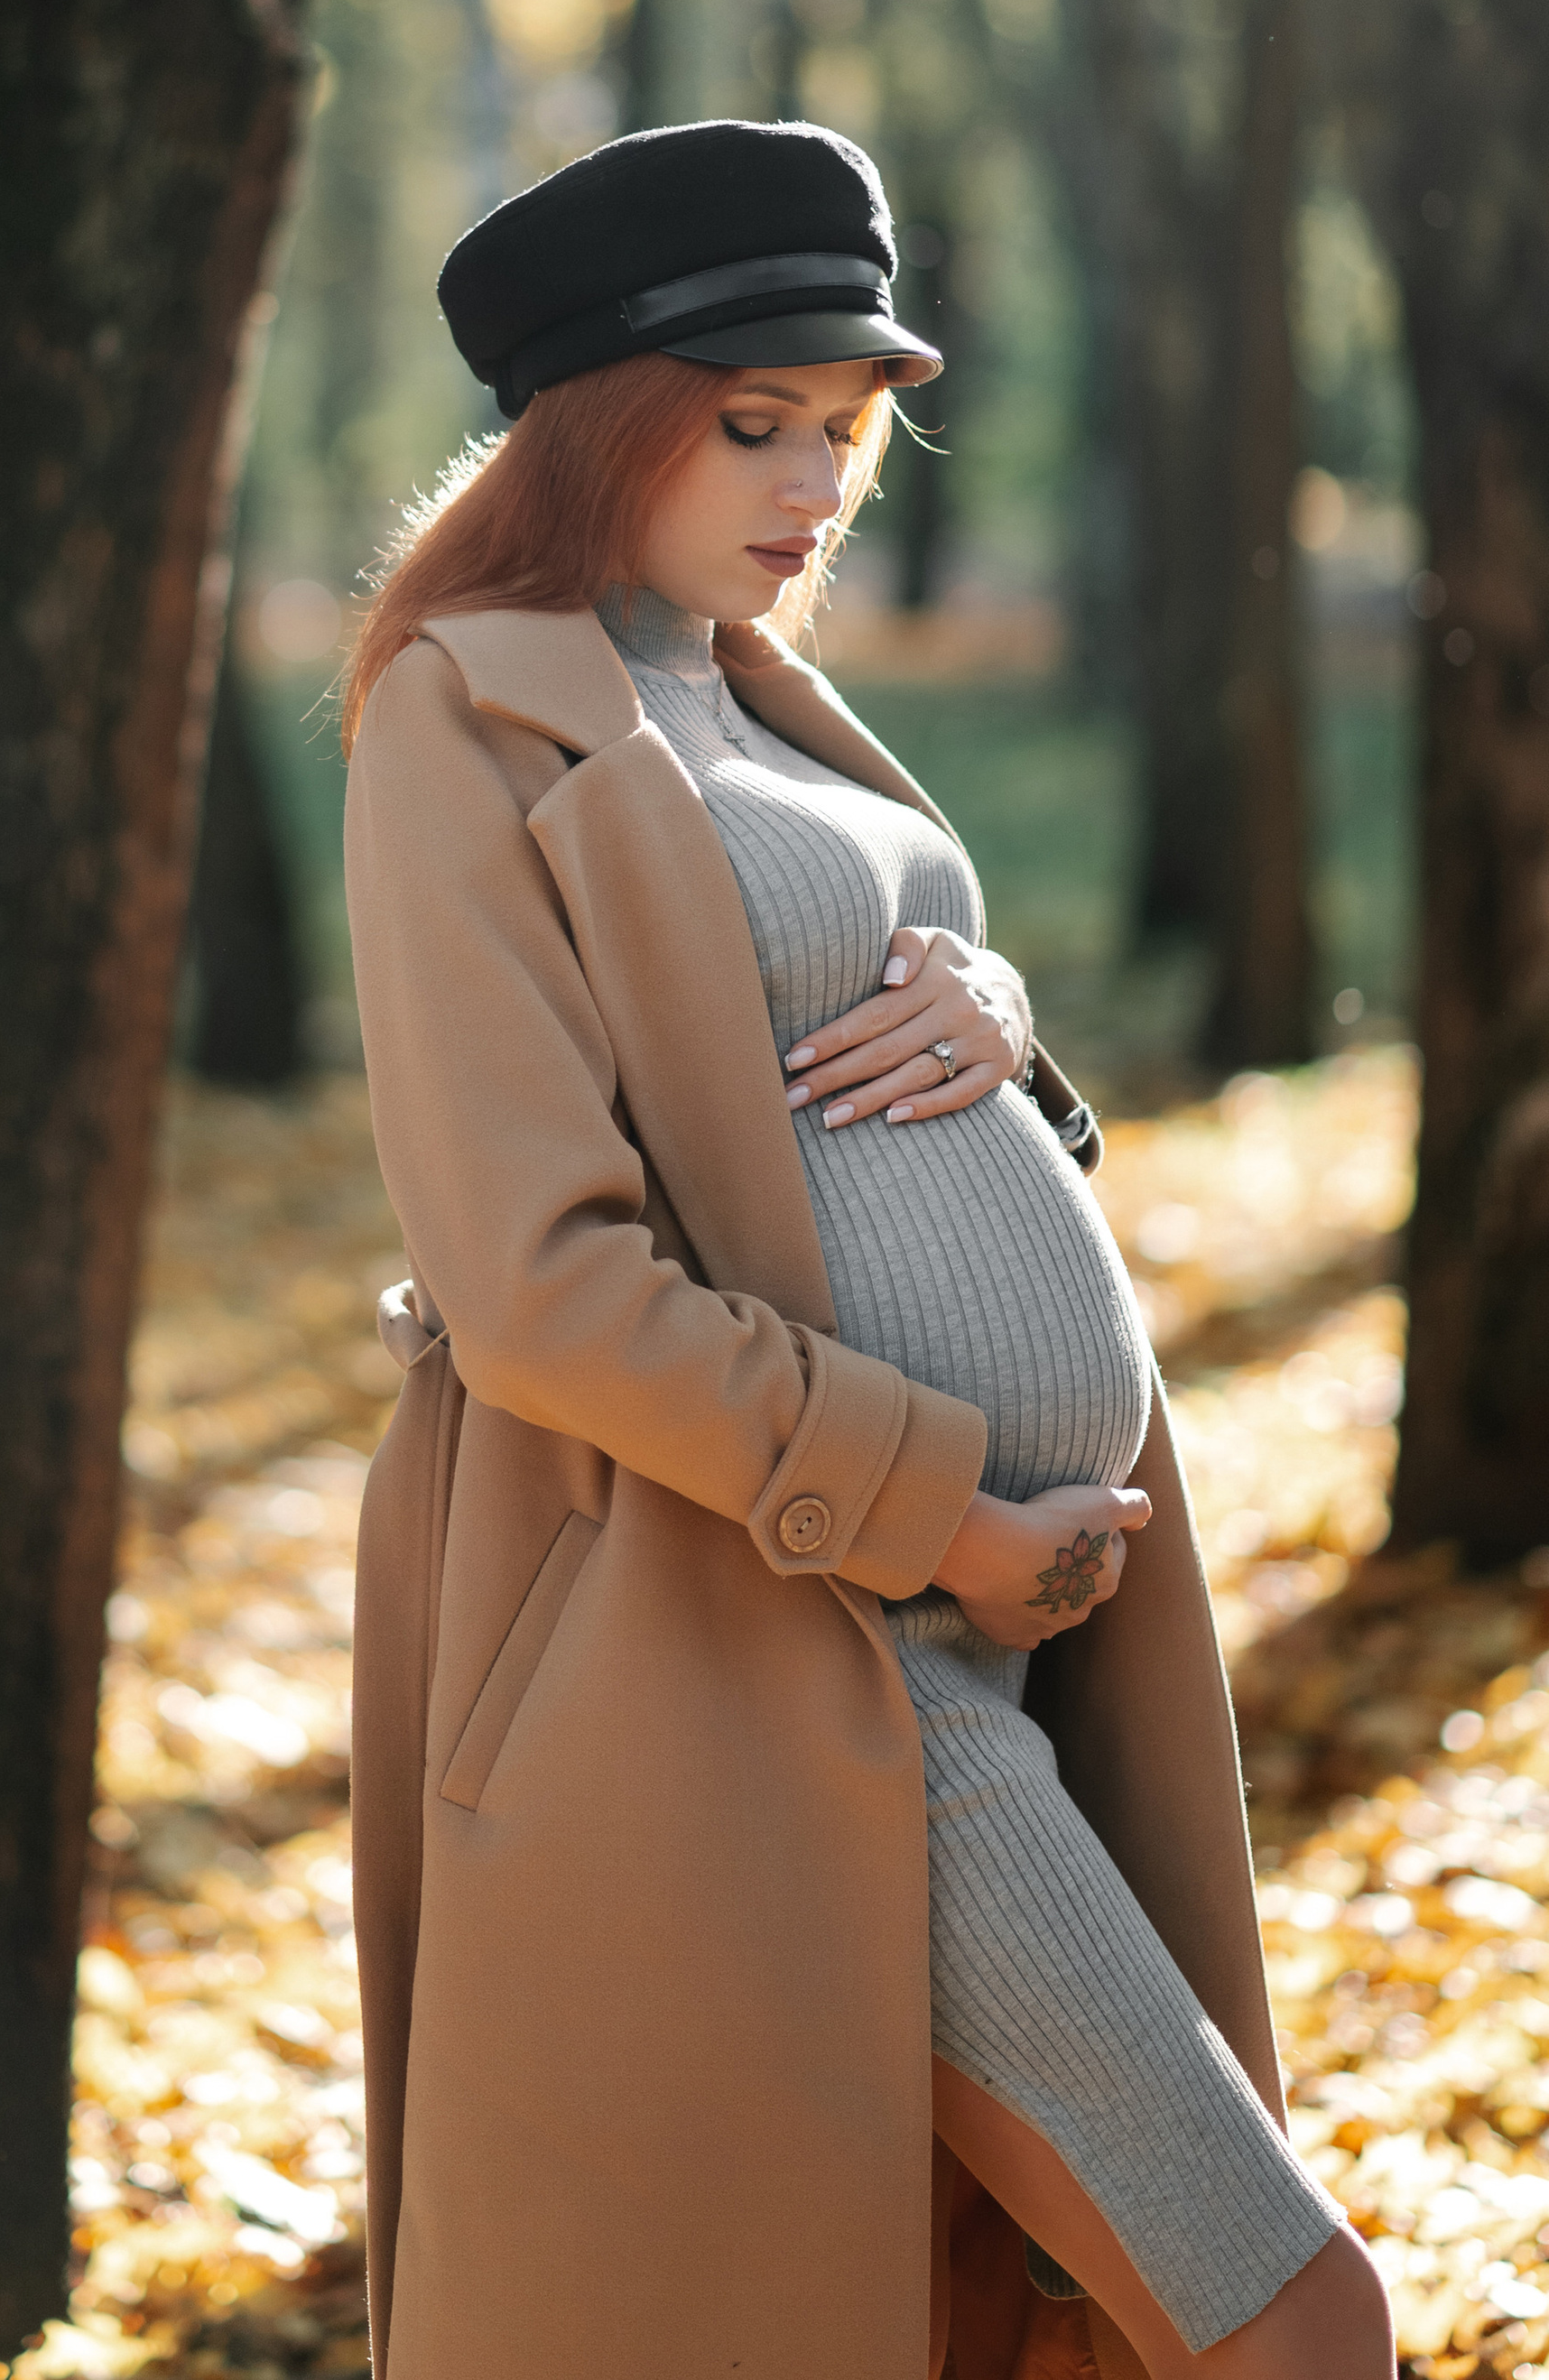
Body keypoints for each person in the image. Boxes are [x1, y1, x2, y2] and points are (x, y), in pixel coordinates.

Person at [339, 120, 1392, 2380]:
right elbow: (536, 1283)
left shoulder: (738, 681)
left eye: (845, 433)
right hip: (781, 1639)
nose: (814, 485)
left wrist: (1001, 1020)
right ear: (595, 418)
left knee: (988, 2325)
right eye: (754, 427)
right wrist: (937, 1521)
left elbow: (831, 1052)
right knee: (1292, 2324)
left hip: (973, 1628)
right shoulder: (465, 714)